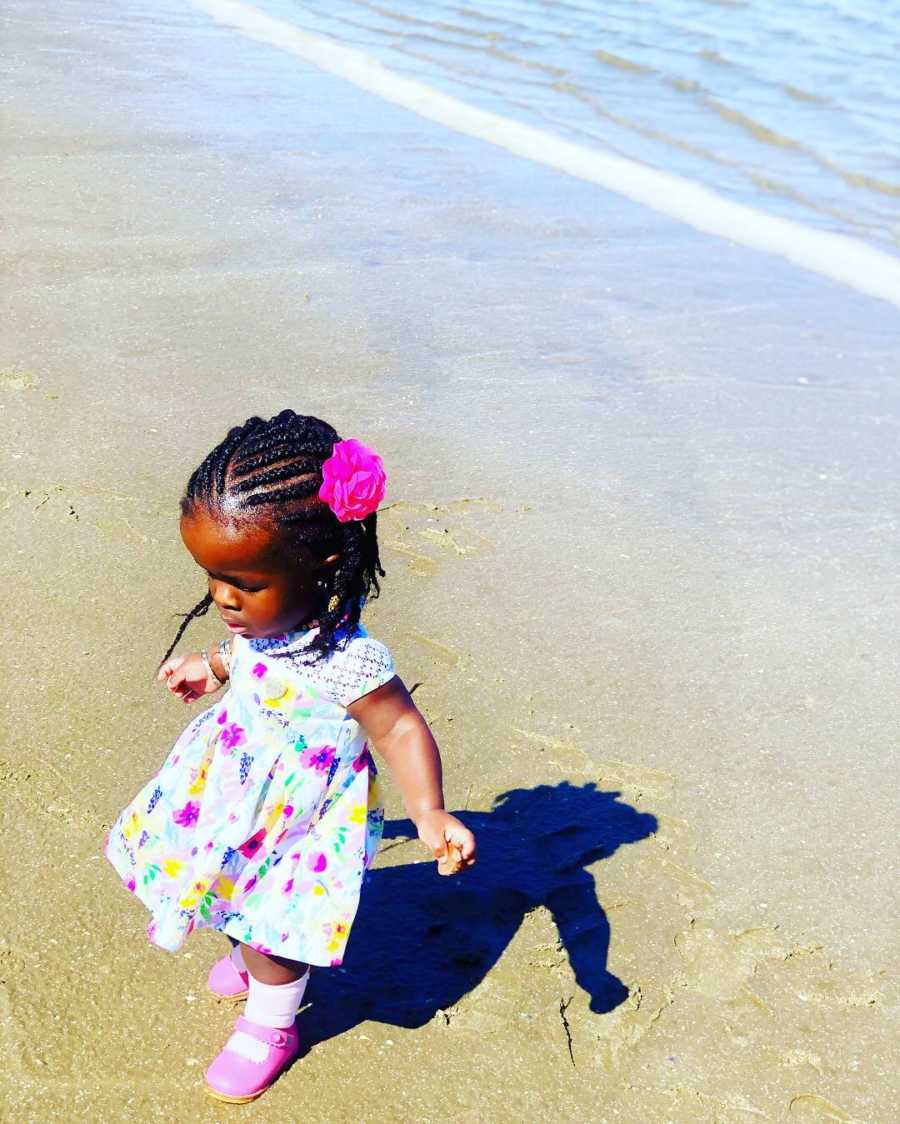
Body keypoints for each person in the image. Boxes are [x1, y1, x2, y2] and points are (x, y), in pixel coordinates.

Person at [105, 410, 476, 1104]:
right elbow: (249, 653)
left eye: (242, 582)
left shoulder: (345, 660)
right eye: (212, 575)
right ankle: (251, 961)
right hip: (232, 785)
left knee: (272, 924)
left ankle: (272, 1023)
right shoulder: (267, 620)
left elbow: (397, 728)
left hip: (301, 816)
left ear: (320, 565)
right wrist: (211, 665)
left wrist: (428, 811)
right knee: (220, 877)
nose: (222, 596)